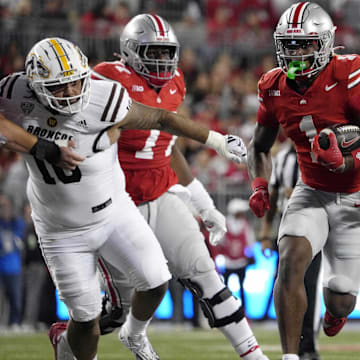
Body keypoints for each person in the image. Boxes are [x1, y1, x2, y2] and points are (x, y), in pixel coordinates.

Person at [0, 36, 246, 360]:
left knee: (157, 281)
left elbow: (161, 118)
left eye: (76, 82)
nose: (72, 93)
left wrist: (215, 139)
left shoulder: (105, 97)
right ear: (35, 86)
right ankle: (67, 347)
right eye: (60, 87)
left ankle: (135, 334)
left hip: (114, 210)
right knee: (86, 321)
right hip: (61, 229)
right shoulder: (14, 93)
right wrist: (39, 147)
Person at [89, 13, 268, 360]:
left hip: (161, 193)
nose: (162, 61)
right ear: (129, 51)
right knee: (118, 308)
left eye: (166, 52)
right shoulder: (107, 78)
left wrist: (204, 205)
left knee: (206, 273)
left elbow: (166, 146)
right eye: (152, 52)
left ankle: (254, 356)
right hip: (117, 202)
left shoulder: (175, 84)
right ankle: (75, 339)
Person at [247, 2, 360, 360]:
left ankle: (334, 312)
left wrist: (348, 161)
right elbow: (259, 145)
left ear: (326, 43)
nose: (295, 53)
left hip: (355, 196)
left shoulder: (351, 74)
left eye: (305, 44)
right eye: (289, 44)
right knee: (291, 258)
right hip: (310, 191)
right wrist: (260, 184)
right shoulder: (272, 85)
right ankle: (290, 356)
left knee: (342, 298)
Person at [258, 142, 322, 360]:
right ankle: (291, 350)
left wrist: (301, 192)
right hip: (288, 228)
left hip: (317, 228)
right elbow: (273, 193)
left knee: (311, 287)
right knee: (286, 283)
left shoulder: (320, 151)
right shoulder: (283, 156)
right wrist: (266, 232)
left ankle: (309, 346)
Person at [216, 198, 255, 312]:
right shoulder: (228, 224)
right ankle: (227, 310)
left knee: (239, 289)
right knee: (227, 289)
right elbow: (250, 243)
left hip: (238, 262)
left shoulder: (240, 224)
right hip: (229, 262)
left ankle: (242, 311)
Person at [0, 192, 25, 331]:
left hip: (14, 267)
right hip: (2, 266)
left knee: (15, 297)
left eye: (6, 206)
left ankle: (15, 321)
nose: (4, 210)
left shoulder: (17, 224)